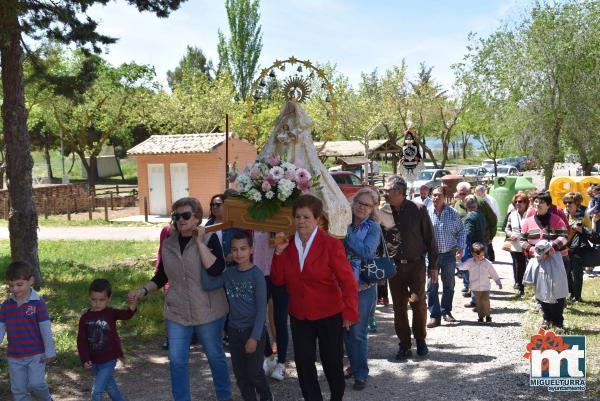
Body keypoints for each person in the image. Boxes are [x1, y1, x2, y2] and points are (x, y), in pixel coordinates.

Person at [128, 197, 232, 401]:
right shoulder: (169, 243)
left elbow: (216, 268)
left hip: (208, 310)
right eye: (176, 216)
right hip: (177, 311)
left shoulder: (210, 239)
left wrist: (199, 242)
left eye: (186, 215)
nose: (181, 220)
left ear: (197, 217)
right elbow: (161, 275)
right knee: (176, 361)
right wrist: (143, 290)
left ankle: (224, 397)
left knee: (215, 357)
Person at [270, 194, 358, 401]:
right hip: (300, 316)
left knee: (332, 363)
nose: (301, 221)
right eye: (298, 217)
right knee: (303, 363)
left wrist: (350, 312)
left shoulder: (331, 245)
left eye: (306, 217)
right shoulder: (288, 244)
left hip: (329, 313)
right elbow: (278, 280)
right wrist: (279, 254)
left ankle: (336, 397)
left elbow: (348, 281)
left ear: (317, 219)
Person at [201, 231, 273, 401]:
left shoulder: (257, 276)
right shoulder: (228, 274)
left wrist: (254, 337)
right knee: (241, 376)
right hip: (234, 332)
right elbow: (208, 285)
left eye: (243, 249)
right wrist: (202, 261)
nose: (238, 253)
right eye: (234, 249)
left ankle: (266, 396)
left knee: (254, 372)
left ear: (251, 249)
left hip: (253, 332)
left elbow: (262, 310)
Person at [380, 175, 438, 359]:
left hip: (416, 265)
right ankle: (404, 344)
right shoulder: (383, 212)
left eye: (387, 190)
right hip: (394, 267)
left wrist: (434, 266)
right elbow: (379, 241)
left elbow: (430, 238)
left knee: (418, 303)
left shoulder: (418, 209)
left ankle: (420, 339)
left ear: (399, 191)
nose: (385, 193)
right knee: (399, 307)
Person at [343, 188, 381, 390]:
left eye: (367, 205)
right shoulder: (343, 222)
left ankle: (361, 373)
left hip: (362, 286)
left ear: (372, 208)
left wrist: (346, 233)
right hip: (340, 284)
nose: (362, 207)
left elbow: (366, 252)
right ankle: (353, 364)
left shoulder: (374, 228)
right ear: (354, 202)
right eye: (360, 202)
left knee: (357, 331)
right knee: (345, 330)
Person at [0, 261, 56, 401]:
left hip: (36, 355)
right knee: (18, 389)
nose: (15, 289)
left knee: (36, 384)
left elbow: (45, 329)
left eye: (19, 284)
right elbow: (1, 328)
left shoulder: (38, 303)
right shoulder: (6, 306)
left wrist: (50, 350)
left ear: (31, 280)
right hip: (14, 356)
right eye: (11, 285)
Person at [77, 279, 137, 401]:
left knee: (96, 392)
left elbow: (127, 314)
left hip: (109, 359)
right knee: (111, 388)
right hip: (94, 361)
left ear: (108, 298)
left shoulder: (111, 313)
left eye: (101, 300)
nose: (97, 303)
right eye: (94, 299)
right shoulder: (85, 318)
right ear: (89, 298)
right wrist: (85, 358)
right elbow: (81, 341)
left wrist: (132, 304)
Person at [426, 185, 466, 327]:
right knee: (432, 286)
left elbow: (461, 231)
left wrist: (460, 246)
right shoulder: (426, 213)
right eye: (434, 195)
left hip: (449, 254)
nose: (436, 198)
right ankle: (434, 316)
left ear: (445, 197)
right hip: (431, 256)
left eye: (439, 195)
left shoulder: (452, 213)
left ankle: (446, 311)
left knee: (449, 285)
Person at [254, 230, 289, 382]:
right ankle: (268, 356)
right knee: (258, 318)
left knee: (279, 320)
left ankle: (281, 363)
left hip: (280, 272)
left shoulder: (280, 213)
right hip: (259, 272)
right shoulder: (251, 217)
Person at [523, 240, 569, 329]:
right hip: (541, 271)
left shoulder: (559, 227)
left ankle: (558, 322)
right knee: (542, 295)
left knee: (558, 296)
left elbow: (564, 238)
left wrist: (553, 247)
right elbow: (522, 239)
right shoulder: (537, 254)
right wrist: (530, 248)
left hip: (556, 269)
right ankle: (547, 318)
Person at [458, 242, 502, 323]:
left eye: (481, 255)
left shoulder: (487, 263)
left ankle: (488, 316)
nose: (479, 258)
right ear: (472, 254)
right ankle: (480, 317)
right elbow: (461, 267)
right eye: (476, 256)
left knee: (485, 301)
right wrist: (458, 260)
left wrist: (498, 281)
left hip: (485, 287)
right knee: (478, 303)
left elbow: (493, 272)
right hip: (475, 288)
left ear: (484, 253)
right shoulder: (470, 262)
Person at [563, 192, 593, 302]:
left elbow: (590, 232)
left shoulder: (583, 215)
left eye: (570, 202)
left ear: (576, 204)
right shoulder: (562, 214)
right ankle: (571, 293)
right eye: (565, 202)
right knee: (566, 271)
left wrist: (582, 229)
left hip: (578, 247)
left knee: (577, 272)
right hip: (564, 246)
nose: (567, 205)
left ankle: (577, 296)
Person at [462, 195, 488, 309]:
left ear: (466, 206)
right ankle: (476, 300)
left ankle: (477, 302)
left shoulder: (469, 217)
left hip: (474, 248)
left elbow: (468, 234)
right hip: (482, 245)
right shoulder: (481, 215)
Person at [505, 193, 530, 297]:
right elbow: (507, 228)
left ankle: (530, 286)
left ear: (526, 203)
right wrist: (511, 234)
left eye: (520, 201)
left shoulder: (530, 214)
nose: (517, 204)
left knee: (529, 265)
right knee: (519, 267)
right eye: (516, 202)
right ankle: (520, 288)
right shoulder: (512, 214)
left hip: (528, 243)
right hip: (515, 245)